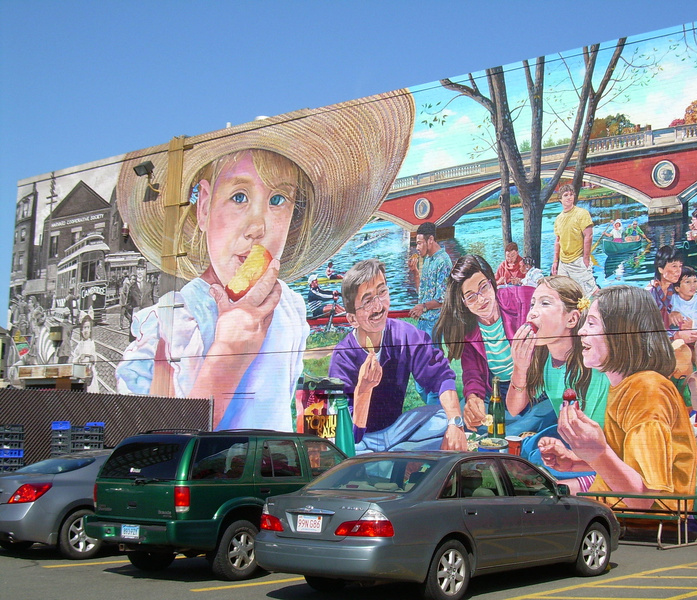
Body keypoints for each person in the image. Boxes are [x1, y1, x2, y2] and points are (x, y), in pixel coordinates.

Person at [114, 90, 415, 431]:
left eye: (277, 199)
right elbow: (159, 447)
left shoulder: (290, 308)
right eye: (239, 197)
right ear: (204, 208)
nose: (257, 227)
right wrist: (230, 349)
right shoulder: (174, 323)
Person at [537, 285, 697, 511]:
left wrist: (598, 453)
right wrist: (575, 461)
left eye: (591, 323)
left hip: (647, 522)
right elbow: (628, 462)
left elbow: (642, 500)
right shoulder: (627, 386)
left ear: (621, 333)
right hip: (610, 512)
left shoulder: (647, 392)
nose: (581, 332)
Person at [328, 259, 468, 452]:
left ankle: (395, 458)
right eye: (367, 300)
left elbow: (440, 375)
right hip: (363, 439)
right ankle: (396, 460)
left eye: (382, 292)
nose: (378, 305)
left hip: (398, 430)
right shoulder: (343, 356)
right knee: (345, 448)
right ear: (352, 319)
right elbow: (348, 433)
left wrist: (455, 423)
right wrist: (364, 390)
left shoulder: (404, 334)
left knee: (445, 415)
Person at [507, 276, 611, 492]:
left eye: (545, 303)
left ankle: (589, 483)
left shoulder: (591, 360)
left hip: (602, 447)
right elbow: (514, 408)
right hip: (574, 443)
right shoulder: (544, 358)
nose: (533, 311)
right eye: (533, 303)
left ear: (572, 320)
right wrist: (519, 367)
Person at [434, 255, 538, 434]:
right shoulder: (467, 328)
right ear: (463, 303)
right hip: (498, 390)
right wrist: (473, 398)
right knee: (467, 420)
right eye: (471, 297)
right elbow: (472, 373)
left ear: (492, 282)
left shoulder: (524, 298)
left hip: (534, 387)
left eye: (483, 287)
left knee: (527, 423)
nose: (481, 300)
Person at [407, 221, 452, 403]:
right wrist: (416, 273)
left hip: (435, 322)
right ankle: (432, 406)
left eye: (419, 243)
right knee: (419, 370)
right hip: (423, 322)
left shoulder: (444, 262)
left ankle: (435, 408)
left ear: (430, 239)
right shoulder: (427, 260)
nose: (417, 247)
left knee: (431, 369)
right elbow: (423, 293)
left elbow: (442, 299)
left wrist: (423, 307)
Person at [551, 184, 598, 297]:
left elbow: (588, 236)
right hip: (564, 262)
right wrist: (555, 261)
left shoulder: (582, 213)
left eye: (571, 195)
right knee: (565, 292)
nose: (569, 197)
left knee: (590, 291)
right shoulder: (558, 218)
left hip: (578, 260)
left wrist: (586, 258)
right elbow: (558, 240)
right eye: (565, 195)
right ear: (560, 199)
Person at [646, 245, 684, 332]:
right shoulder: (649, 292)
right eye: (674, 266)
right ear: (661, 269)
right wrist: (668, 317)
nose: (678, 271)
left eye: (680, 266)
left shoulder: (672, 290)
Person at [71, 312, 100, 393]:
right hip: (82, 373)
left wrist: (92, 358)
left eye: (87, 328)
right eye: (84, 328)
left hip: (90, 373)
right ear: (81, 330)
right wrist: (80, 357)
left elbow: (95, 359)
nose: (86, 330)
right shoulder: (80, 345)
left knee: (91, 391)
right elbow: (74, 359)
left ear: (90, 330)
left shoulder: (91, 343)